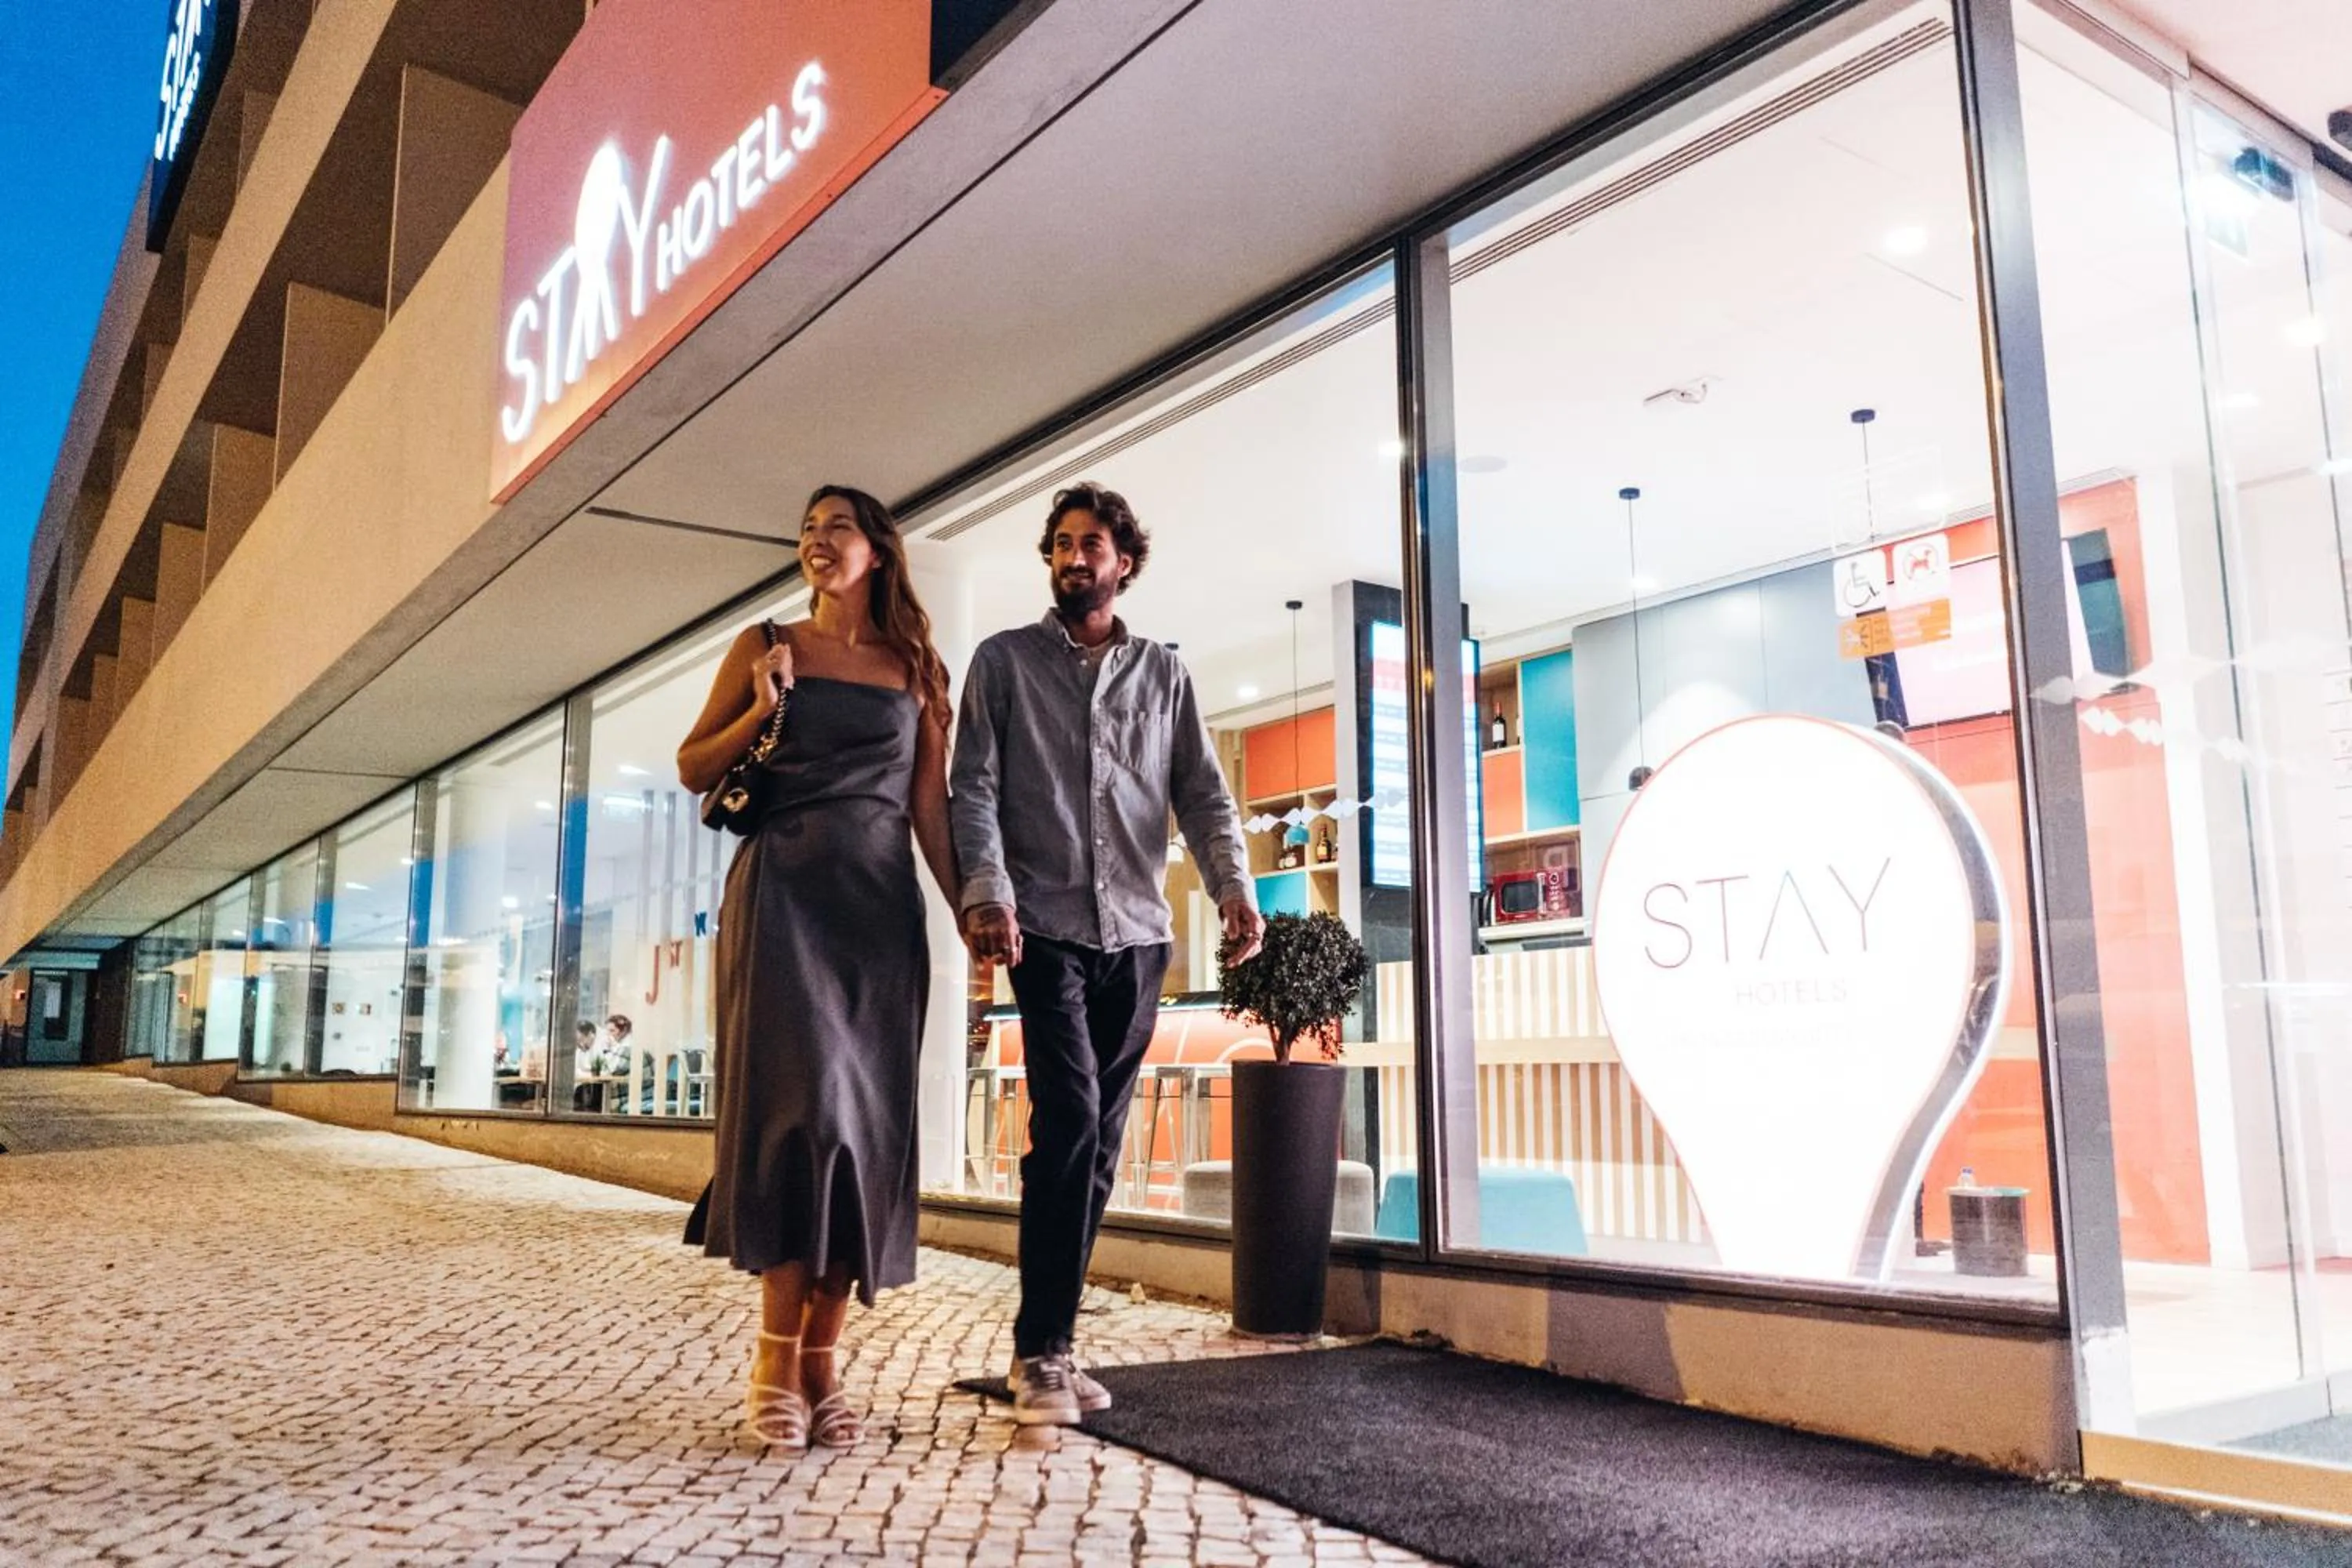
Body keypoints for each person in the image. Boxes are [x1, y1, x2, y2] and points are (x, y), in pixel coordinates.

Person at [951, 481, 1263, 1426]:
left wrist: (1235, 886)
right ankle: (1040, 1347)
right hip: (1041, 928)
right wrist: (989, 894)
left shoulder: (1163, 675)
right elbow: (973, 788)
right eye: (1061, 543)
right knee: (1073, 1123)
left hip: (1137, 938)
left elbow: (1202, 794)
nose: (1075, 556)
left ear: (1123, 560)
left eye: (1092, 543)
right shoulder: (1001, 664)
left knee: (1096, 1153)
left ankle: (1049, 1343)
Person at [676, 485, 959, 1452]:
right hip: (784, 898)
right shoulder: (767, 644)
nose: (816, 538)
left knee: (864, 1134)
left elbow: (931, 808)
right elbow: (692, 764)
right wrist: (763, 709)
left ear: (878, 548)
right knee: (801, 1122)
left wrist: (974, 911)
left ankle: (823, 1359)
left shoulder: (917, 667)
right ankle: (772, 1356)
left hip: (878, 914)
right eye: (805, 525)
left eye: (836, 525)